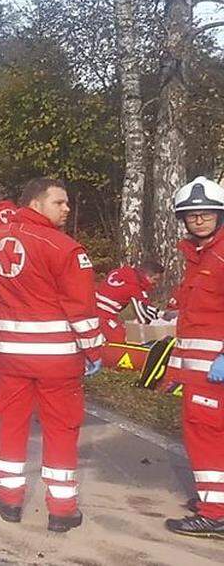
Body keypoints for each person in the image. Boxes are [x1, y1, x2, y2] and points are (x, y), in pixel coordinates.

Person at [0, 177, 101, 533]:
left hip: (11, 356)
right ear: (36, 204)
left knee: (11, 425)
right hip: (58, 359)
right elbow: (82, 308)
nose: (67, 209)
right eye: (60, 202)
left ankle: (8, 500)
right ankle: (62, 510)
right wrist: (93, 349)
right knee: (61, 429)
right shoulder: (65, 248)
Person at [163, 176, 224, 538]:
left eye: (206, 214)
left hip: (214, 371)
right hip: (201, 370)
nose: (199, 220)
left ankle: (215, 511)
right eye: (191, 216)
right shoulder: (200, 256)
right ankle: (213, 498)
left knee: (206, 435)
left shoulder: (220, 255)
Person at [95, 260, 163, 345]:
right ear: (147, 276)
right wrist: (165, 316)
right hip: (104, 319)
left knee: (123, 328)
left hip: (90, 312)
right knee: (129, 339)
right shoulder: (135, 287)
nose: (156, 284)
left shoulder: (118, 272)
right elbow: (145, 313)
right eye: (155, 279)